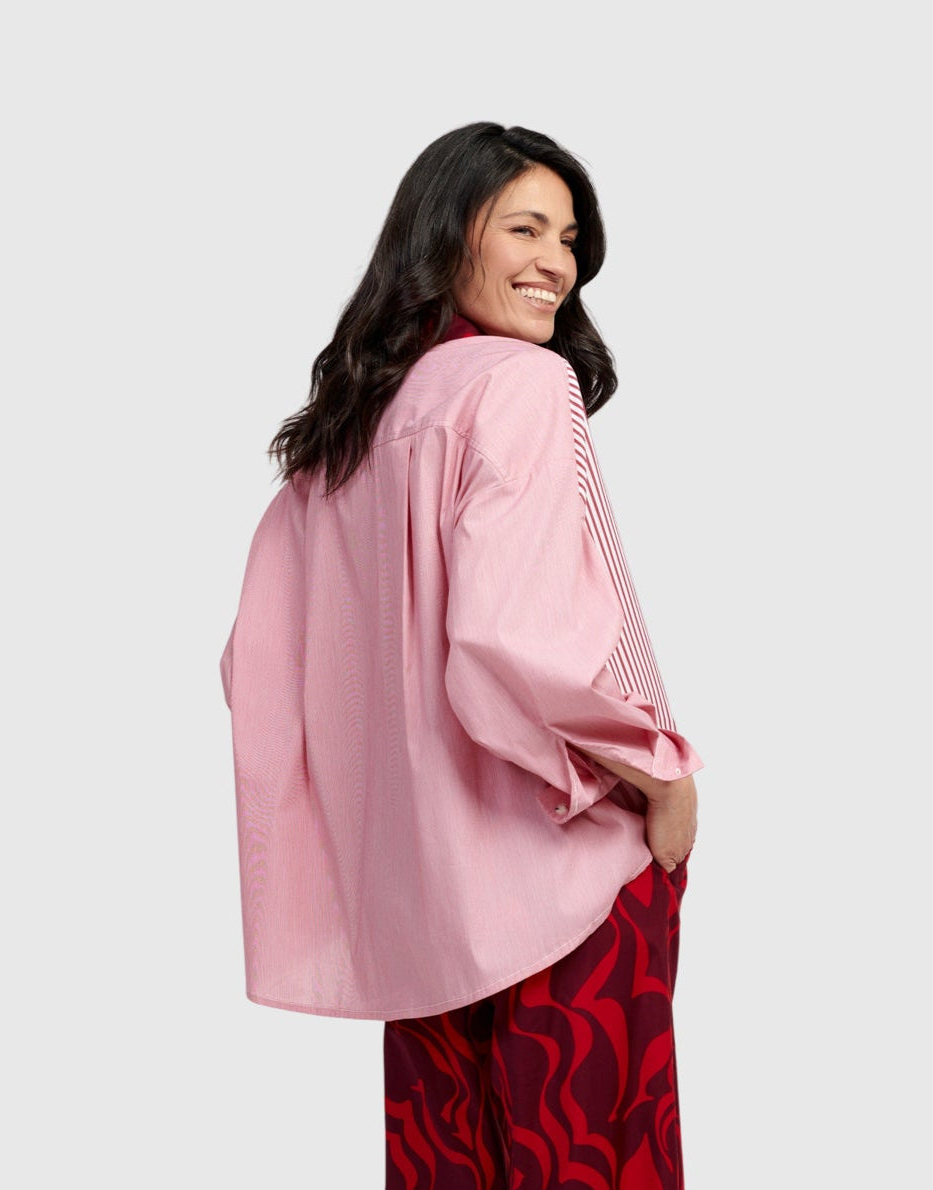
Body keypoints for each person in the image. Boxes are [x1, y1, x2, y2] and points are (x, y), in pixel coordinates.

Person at [220, 121, 702, 1189]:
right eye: (524, 228)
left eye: (569, 239)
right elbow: (509, 641)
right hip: (567, 880)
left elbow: (255, 672)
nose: (556, 263)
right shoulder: (523, 384)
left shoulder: (349, 429)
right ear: (446, 238)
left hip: (424, 914)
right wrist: (659, 771)